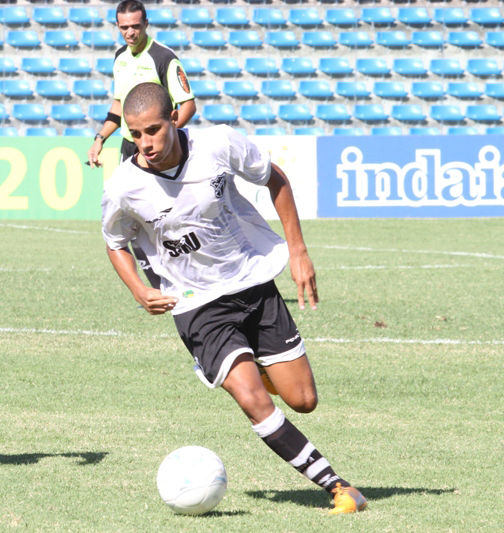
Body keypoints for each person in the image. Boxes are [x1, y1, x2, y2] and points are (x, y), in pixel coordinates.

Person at [101, 82, 368, 514]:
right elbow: (115, 242)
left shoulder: (218, 145)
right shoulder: (123, 188)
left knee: (303, 400)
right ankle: (336, 486)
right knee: (251, 397)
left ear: (174, 117)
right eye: (135, 134)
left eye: (153, 130)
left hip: (253, 282)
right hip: (194, 303)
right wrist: (139, 289)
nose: (145, 143)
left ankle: (257, 372)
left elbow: (275, 179)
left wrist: (298, 250)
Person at [88, 0, 196, 289]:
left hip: (159, 152)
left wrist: (166, 137)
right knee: (130, 220)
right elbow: (119, 103)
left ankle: (190, 276)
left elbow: (187, 105)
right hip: (129, 150)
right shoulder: (121, 57)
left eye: (135, 26)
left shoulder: (163, 58)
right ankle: (159, 285)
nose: (130, 32)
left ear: (146, 24)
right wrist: (100, 138)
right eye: (124, 27)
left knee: (170, 217)